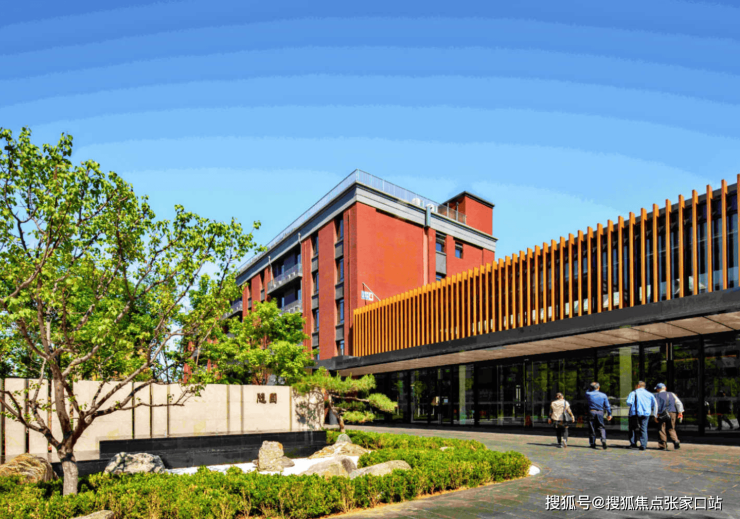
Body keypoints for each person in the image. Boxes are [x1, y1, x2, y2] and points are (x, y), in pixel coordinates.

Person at [626, 381, 657, 451]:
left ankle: (633, 443)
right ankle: (643, 445)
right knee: (643, 429)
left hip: (635, 413)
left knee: (632, 428)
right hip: (646, 413)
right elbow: (653, 404)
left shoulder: (633, 393)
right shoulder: (650, 394)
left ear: (638, 386)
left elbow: (629, 403)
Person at [654, 383, 684, 450]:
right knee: (671, 428)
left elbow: (656, 406)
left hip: (662, 413)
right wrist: (680, 412)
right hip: (672, 412)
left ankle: (663, 445)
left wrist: (655, 416)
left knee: (661, 429)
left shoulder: (656, 396)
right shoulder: (672, 394)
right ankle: (676, 440)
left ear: (658, 389)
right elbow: (679, 403)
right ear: (665, 388)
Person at [585, 382, 612, 449]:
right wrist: (609, 414)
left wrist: (590, 388)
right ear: (599, 387)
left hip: (592, 411)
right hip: (600, 412)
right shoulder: (603, 395)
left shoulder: (589, 394)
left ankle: (592, 443)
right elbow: (607, 406)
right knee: (601, 427)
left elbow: (586, 391)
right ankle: (603, 440)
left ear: (591, 388)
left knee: (592, 427)